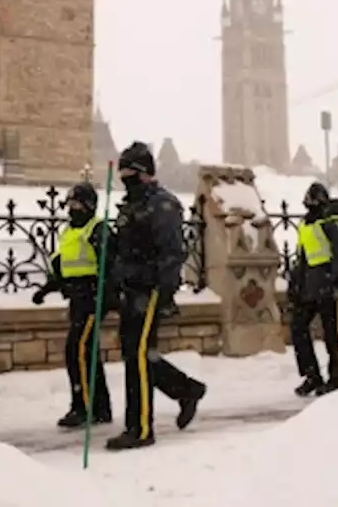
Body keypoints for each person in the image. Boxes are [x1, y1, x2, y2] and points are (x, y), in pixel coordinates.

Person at [105, 141, 207, 451]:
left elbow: (172, 252)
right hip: (129, 290)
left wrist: (163, 291)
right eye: (122, 171)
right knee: (135, 355)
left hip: (149, 291)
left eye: (130, 171)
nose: (125, 177)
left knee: (137, 355)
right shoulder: (129, 206)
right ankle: (186, 390)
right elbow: (124, 251)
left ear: (146, 173)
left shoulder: (163, 205)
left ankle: (140, 428)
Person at [32, 182, 116, 429]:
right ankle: (100, 408)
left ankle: (83, 406)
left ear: (89, 205)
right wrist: (47, 289)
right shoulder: (70, 231)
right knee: (87, 352)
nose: (72, 208)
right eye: (70, 204)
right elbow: (63, 265)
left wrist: (103, 293)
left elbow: (109, 266)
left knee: (76, 350)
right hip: (77, 299)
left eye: (77, 203)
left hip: (92, 299)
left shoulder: (98, 229)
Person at [288, 182, 338, 397]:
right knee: (298, 328)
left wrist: (337, 282)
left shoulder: (332, 218)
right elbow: (302, 256)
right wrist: (295, 284)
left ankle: (335, 378)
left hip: (327, 285)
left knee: (332, 335)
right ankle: (312, 375)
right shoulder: (306, 222)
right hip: (308, 286)